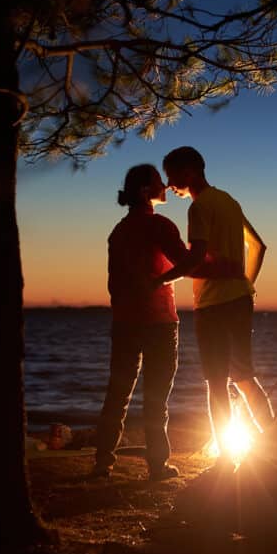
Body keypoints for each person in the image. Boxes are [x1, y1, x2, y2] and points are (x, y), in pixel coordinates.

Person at [157, 145, 274, 467]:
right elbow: (259, 246)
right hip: (240, 298)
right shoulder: (229, 201)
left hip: (212, 303)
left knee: (217, 382)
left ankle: (226, 460)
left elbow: (196, 254)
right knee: (245, 376)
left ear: (189, 172)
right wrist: (246, 282)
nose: (170, 185)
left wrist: (164, 280)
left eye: (172, 176)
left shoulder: (199, 207)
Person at [90, 164, 188, 482]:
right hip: (159, 321)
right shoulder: (159, 226)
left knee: (117, 393)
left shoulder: (118, 232)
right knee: (156, 397)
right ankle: (158, 465)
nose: (165, 186)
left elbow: (113, 283)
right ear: (146, 191)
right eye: (159, 182)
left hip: (125, 321)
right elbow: (186, 262)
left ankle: (103, 462)